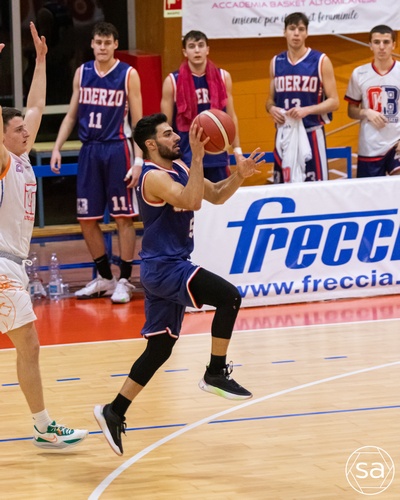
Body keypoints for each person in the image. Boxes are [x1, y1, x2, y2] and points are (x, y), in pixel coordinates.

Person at [94, 113, 265, 456]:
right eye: (168, 134)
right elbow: (191, 201)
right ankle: (216, 371)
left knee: (159, 349)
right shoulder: (153, 177)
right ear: (151, 144)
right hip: (165, 267)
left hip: (168, 267)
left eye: (174, 132)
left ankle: (114, 411)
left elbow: (215, 195)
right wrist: (199, 158)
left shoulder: (181, 168)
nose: (177, 137)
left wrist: (239, 175)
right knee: (229, 297)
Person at [0, 22, 88, 449]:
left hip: (13, 263)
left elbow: (35, 105)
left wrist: (40, 61)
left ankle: (42, 424)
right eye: (17, 129)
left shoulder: (20, 156)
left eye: (25, 128)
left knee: (28, 347)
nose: (26, 132)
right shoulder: (3, 160)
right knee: (29, 345)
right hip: (1, 267)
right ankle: (43, 426)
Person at [50, 21, 143, 304]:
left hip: (118, 149)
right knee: (86, 219)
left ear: (115, 45)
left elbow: (138, 122)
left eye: (107, 42)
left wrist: (139, 160)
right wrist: (57, 147)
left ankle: (124, 280)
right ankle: (104, 277)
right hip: (89, 150)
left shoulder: (128, 74)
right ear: (92, 44)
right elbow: (71, 115)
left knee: (123, 217)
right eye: (98, 42)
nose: (102, 47)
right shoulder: (82, 72)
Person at [265, 12, 339, 183]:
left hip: (312, 133)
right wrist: (271, 109)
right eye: (292, 29)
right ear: (285, 32)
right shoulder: (276, 62)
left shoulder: (321, 60)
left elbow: (334, 101)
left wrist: (307, 110)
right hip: (285, 133)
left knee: (317, 189)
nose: (296, 33)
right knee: (283, 188)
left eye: (301, 29)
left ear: (307, 33)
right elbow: (270, 100)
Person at [161, 30, 243, 183]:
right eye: (192, 46)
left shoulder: (223, 77)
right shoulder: (172, 81)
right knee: (190, 198)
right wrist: (169, 157)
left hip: (217, 153)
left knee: (221, 196)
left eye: (201, 45)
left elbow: (231, 116)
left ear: (207, 49)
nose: (197, 50)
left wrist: (237, 151)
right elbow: (166, 125)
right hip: (187, 155)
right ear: (185, 52)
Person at [345, 25, 400, 177]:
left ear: (394, 45)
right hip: (370, 145)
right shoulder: (359, 73)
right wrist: (366, 112)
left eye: (386, 42)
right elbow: (351, 110)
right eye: (376, 42)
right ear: (370, 45)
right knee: (369, 190)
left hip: (396, 142)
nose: (381, 47)